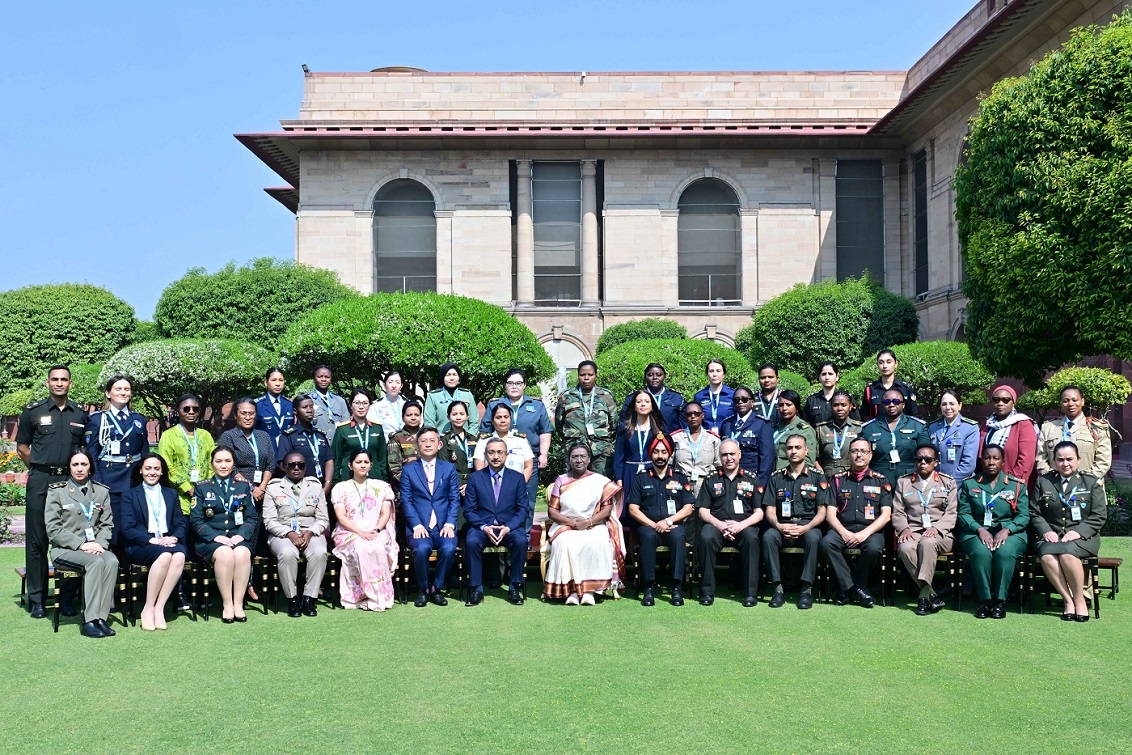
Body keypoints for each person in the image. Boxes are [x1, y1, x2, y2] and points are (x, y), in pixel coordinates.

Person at [16, 365, 88, 619]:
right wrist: (38, 469)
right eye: (55, 379)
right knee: (37, 541)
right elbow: (22, 447)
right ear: (47, 382)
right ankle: (37, 599)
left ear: (70, 383)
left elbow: (82, 449)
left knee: (68, 538)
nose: (59, 383)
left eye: (64, 380)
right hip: (41, 480)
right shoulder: (33, 412)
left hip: (68, 483)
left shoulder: (79, 413)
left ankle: (66, 598)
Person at [46, 448, 118, 638]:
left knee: (111, 561)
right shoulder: (58, 492)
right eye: (75, 464)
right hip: (65, 549)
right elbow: (53, 529)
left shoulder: (101, 492)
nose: (79, 468)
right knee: (95, 562)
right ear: (69, 468)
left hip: (95, 546)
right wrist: (82, 545)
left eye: (83, 464)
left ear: (90, 467)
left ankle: (101, 618)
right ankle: (89, 620)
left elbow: (106, 524)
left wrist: (100, 544)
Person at [542, 442, 625, 605]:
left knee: (597, 542)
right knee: (566, 543)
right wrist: (573, 523)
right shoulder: (561, 480)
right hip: (565, 526)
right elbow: (552, 512)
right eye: (574, 457)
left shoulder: (600, 481)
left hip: (594, 524)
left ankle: (590, 591)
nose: (578, 460)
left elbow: (606, 511)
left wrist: (588, 522)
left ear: (588, 459)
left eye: (582, 456)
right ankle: (572, 591)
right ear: (569, 460)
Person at [1031, 441, 1106, 622]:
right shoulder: (1044, 481)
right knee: (1047, 556)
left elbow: (1099, 515)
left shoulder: (1091, 482)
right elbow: (1034, 512)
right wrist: (1045, 530)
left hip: (1083, 538)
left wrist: (1078, 532)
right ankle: (1068, 601)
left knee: (1066, 554)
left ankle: (1079, 600)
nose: (1065, 463)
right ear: (1054, 461)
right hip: (1052, 536)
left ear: (1078, 460)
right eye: (1060, 460)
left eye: (1070, 459)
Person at [957, 444, 1030, 619]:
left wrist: (1008, 529)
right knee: (981, 552)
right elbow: (963, 513)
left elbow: (1024, 516)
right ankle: (984, 600)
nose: (991, 462)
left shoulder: (1016, 486)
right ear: (981, 461)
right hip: (975, 531)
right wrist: (979, 529)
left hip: (1010, 532)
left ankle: (999, 601)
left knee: (1004, 552)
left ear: (1003, 461)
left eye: (996, 458)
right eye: (987, 458)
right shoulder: (970, 484)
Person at [119, 453, 189, 631]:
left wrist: (174, 537)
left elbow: (180, 522)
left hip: (167, 539)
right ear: (141, 470)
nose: (152, 472)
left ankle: (159, 608)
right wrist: (152, 540)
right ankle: (148, 607)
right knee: (165, 555)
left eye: (156, 469)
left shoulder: (171, 493)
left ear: (162, 471)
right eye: (148, 468)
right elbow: (127, 528)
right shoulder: (129, 494)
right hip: (141, 543)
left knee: (180, 555)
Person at [761, 434, 830, 609]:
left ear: (806, 450)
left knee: (814, 539)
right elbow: (769, 510)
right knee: (768, 537)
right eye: (790, 448)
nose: (793, 451)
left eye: (798, 447)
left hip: (808, 525)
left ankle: (806, 591)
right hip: (782, 525)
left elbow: (822, 512)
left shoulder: (817, 477)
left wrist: (806, 527)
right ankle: (778, 589)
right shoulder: (776, 477)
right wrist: (778, 526)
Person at [822, 437, 893, 608]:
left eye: (863, 451)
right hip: (842, 528)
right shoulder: (837, 479)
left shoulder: (881, 480)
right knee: (826, 543)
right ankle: (856, 588)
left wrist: (864, 534)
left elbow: (886, 515)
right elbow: (830, 514)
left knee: (874, 548)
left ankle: (848, 589)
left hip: (869, 530)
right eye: (854, 451)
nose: (858, 455)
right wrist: (844, 533)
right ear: (849, 454)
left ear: (870, 455)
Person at [626, 435, 695, 606]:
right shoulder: (641, 478)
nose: (660, 456)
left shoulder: (679, 477)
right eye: (656, 452)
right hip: (649, 526)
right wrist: (653, 525)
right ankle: (648, 588)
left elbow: (688, 508)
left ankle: (676, 588)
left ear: (669, 454)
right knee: (648, 537)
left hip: (673, 525)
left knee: (679, 537)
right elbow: (633, 509)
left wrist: (669, 522)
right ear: (651, 454)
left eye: (664, 452)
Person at [190, 447, 257, 623]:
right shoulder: (201, 488)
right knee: (226, 554)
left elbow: (251, 516)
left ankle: (238, 603)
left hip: (237, 536)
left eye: (227, 461)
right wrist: (215, 537)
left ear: (233, 463)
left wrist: (241, 535)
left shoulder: (243, 486)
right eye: (219, 461)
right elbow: (196, 520)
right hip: (211, 540)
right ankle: (227, 604)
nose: (223, 465)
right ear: (212, 464)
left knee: (242, 553)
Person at [463, 437, 532, 606]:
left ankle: (514, 587)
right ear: (485, 455)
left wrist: (508, 528)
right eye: (491, 452)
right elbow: (469, 510)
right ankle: (476, 589)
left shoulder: (517, 478)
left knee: (521, 540)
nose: (495, 456)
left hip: (508, 526)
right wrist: (484, 527)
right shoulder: (475, 478)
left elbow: (523, 509)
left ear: (507, 455)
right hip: (482, 527)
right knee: (471, 541)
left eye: (500, 452)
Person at [892, 444, 959, 615]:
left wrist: (937, 528)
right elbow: (898, 511)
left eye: (928, 459)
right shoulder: (904, 482)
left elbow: (951, 513)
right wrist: (904, 529)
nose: (923, 462)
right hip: (913, 530)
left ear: (935, 462)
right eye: (919, 459)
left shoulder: (948, 482)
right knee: (905, 547)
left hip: (941, 533)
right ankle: (931, 594)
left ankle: (923, 597)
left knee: (928, 543)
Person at [696, 438, 763, 606]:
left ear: (739, 455)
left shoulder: (751, 479)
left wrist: (740, 525)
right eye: (724, 455)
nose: (729, 458)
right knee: (705, 537)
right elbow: (702, 510)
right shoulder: (711, 479)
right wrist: (719, 525)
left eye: (732, 454)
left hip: (743, 526)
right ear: (719, 457)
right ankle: (706, 592)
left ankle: (750, 594)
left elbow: (759, 512)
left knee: (751, 539)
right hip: (718, 526)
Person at [331, 448, 398, 611]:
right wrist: (360, 533)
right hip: (349, 533)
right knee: (361, 547)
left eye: (366, 462)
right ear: (350, 465)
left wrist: (375, 530)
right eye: (358, 462)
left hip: (377, 531)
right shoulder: (341, 488)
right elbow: (342, 517)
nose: (362, 465)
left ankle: (381, 596)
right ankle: (362, 595)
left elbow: (385, 514)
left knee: (377, 547)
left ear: (371, 465)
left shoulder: (381, 487)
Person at [264, 452, 330, 617]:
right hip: (282, 533)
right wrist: (289, 533)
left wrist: (310, 532)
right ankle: (292, 599)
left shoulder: (315, 486)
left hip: (310, 531)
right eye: (292, 465)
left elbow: (323, 519)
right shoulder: (273, 487)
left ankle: (309, 598)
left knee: (320, 552)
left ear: (305, 467)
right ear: (284, 467)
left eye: (300, 465)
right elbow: (269, 521)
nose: (296, 468)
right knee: (287, 553)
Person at [84, 374, 150, 541]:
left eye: (126, 389)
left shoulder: (139, 420)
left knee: (135, 525)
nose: (123, 393)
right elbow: (92, 456)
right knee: (114, 528)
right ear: (108, 393)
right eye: (118, 389)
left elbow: (144, 453)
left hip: (134, 481)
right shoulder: (97, 420)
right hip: (109, 482)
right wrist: (98, 484)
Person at [401, 427, 461, 607]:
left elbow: (454, 498)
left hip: (444, 525)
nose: (427, 444)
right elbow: (406, 500)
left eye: (432, 440)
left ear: (439, 444)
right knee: (421, 550)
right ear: (417, 445)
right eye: (423, 441)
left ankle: (437, 588)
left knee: (449, 548)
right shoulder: (409, 470)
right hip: (419, 526)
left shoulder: (449, 468)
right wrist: (417, 525)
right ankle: (423, 589)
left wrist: (450, 523)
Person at [478, 369, 552, 510]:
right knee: (497, 498)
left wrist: (543, 454)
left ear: (524, 385)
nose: (514, 386)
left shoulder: (537, 405)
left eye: (518, 383)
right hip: (497, 459)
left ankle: (524, 532)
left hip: (528, 459)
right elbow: (485, 431)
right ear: (505, 385)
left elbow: (545, 431)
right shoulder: (495, 405)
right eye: (510, 383)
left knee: (526, 498)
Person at [555, 360, 619, 476]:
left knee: (601, 487)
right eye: (582, 375)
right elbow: (559, 424)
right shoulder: (567, 396)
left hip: (601, 452)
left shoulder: (606, 396)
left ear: (596, 375)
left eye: (590, 375)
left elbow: (614, 424)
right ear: (578, 375)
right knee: (572, 487)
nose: (586, 378)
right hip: (573, 451)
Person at [1035, 386, 1112, 481]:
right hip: (1055, 487)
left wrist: (1084, 482)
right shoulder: (1048, 428)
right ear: (1061, 404)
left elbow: (1103, 461)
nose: (1070, 404)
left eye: (1075, 400)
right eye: (1065, 401)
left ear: (1082, 401)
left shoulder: (1097, 428)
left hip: (1088, 488)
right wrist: (1052, 479)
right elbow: (1041, 458)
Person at [156, 393, 215, 515]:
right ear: (178, 411)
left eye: (196, 409)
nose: (191, 412)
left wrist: (206, 487)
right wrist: (189, 489)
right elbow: (167, 466)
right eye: (186, 409)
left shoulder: (206, 435)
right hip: (180, 498)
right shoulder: (169, 435)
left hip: (205, 496)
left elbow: (213, 463)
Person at [859, 388, 930, 485]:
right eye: (887, 402)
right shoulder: (869, 428)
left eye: (896, 402)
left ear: (903, 405)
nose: (891, 405)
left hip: (909, 478)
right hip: (878, 477)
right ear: (882, 405)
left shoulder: (918, 426)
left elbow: (926, 456)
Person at [276, 394, 333, 497]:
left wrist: (327, 484)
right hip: (299, 491)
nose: (309, 410)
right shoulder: (288, 436)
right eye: (304, 407)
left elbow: (329, 460)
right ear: (295, 411)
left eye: (311, 407)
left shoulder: (320, 434)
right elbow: (282, 465)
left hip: (323, 489)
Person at [979, 384, 1037, 484]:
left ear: (1013, 402)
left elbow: (1027, 460)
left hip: (1012, 481)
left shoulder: (1023, 424)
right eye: (996, 400)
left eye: (1005, 400)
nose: (1000, 403)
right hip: (986, 481)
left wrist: (1012, 481)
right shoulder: (987, 424)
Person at [330, 388, 389, 484]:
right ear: (350, 405)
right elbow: (336, 460)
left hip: (374, 479)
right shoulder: (342, 429)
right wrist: (336, 483)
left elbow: (382, 459)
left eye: (365, 403)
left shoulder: (377, 428)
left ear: (369, 405)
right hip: (348, 480)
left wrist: (385, 481)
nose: (361, 407)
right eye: (357, 403)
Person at [718, 386, 775, 486]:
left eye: (744, 400)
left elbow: (767, 458)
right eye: (737, 400)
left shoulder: (762, 424)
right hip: (728, 480)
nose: (740, 402)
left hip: (751, 480)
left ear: (752, 402)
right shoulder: (726, 424)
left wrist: (760, 485)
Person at [612, 389, 664, 492]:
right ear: (634, 407)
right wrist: (619, 481)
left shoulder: (658, 429)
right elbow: (618, 458)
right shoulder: (625, 428)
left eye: (647, 401)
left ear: (652, 406)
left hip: (652, 472)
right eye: (639, 402)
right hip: (630, 474)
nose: (643, 404)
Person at [670, 401, 721, 497]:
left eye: (696, 414)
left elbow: (719, 466)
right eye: (689, 414)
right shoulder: (676, 438)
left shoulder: (713, 439)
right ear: (685, 417)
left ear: (702, 416)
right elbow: (669, 465)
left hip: (706, 485)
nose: (693, 416)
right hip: (682, 484)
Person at [928, 390, 980, 482]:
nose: (948, 407)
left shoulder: (970, 428)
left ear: (959, 406)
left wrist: (949, 483)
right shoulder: (933, 427)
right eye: (944, 404)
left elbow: (968, 464)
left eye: (952, 404)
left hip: (959, 485)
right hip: (935, 483)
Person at [620, 363, 686, 433]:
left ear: (664, 377)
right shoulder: (633, 398)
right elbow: (623, 424)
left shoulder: (676, 398)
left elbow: (685, 426)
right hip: (642, 441)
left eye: (659, 375)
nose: (654, 377)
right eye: (650, 375)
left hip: (671, 441)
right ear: (645, 377)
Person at [815, 390, 864, 478]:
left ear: (850, 407)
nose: (839, 408)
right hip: (828, 476)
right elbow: (817, 458)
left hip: (852, 476)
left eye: (843, 405)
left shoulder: (859, 428)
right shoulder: (822, 429)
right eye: (835, 405)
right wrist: (821, 476)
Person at [862, 349, 919, 419]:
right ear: (877, 365)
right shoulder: (870, 389)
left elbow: (913, 414)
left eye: (889, 362)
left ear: (896, 364)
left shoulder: (905, 388)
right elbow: (866, 415)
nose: (885, 366)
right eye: (881, 362)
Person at [423, 362, 479, 434]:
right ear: (443, 377)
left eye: (454, 375)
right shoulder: (433, 396)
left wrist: (468, 438)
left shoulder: (467, 394)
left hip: (464, 441)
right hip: (441, 441)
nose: (452, 378)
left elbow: (474, 422)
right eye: (448, 375)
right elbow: (429, 423)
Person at [803, 362, 860, 426]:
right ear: (819, 377)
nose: (827, 377)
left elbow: (856, 423)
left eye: (830, 374)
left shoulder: (847, 398)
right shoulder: (812, 400)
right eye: (824, 374)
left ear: (837, 377)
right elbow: (807, 424)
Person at [772, 390, 817, 470]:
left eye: (788, 405)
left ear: (796, 406)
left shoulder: (805, 430)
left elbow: (809, 461)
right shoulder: (776, 428)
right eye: (781, 405)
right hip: (773, 476)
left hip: (791, 476)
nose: (784, 408)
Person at [441, 401, 477, 495]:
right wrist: (459, 485)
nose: (458, 417)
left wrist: (470, 485)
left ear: (467, 416)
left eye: (462, 414)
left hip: (473, 485)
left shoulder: (474, 439)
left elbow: (478, 467)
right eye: (454, 414)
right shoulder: (444, 439)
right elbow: (443, 467)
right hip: (453, 486)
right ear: (448, 417)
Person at [253, 367, 294, 450]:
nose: (278, 383)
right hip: (266, 452)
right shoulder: (258, 405)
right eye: (274, 380)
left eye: (281, 380)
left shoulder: (290, 404)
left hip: (287, 452)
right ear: (266, 382)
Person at [387, 400, 423, 489]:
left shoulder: (427, 436)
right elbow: (395, 468)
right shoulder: (397, 438)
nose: (413, 418)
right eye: (409, 415)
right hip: (405, 488)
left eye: (416, 415)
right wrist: (414, 484)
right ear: (403, 418)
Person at [310, 364, 350, 442]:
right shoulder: (308, 400)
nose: (323, 379)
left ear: (331, 379)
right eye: (320, 377)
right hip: (316, 445)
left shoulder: (340, 401)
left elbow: (346, 425)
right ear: (314, 379)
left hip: (337, 445)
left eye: (327, 377)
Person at [693, 358, 735, 431]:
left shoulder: (733, 394)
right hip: (706, 439)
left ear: (724, 374)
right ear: (707, 374)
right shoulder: (699, 396)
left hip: (728, 438)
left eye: (718, 371)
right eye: (711, 371)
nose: (715, 374)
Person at [367, 370, 407, 440]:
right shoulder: (376, 406)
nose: (394, 386)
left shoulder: (407, 404)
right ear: (384, 385)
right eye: (390, 382)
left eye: (397, 382)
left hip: (407, 445)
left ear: (401, 386)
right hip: (386, 445)